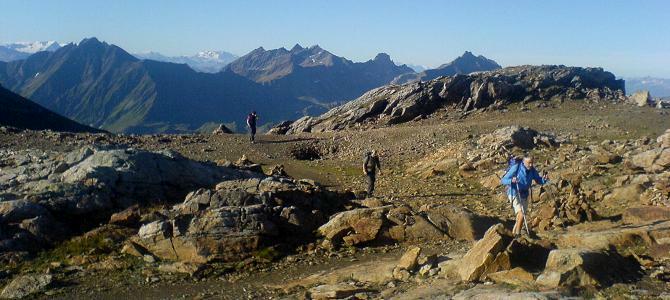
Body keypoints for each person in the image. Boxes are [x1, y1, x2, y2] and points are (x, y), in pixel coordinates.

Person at [500, 156, 548, 237]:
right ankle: (518, 235)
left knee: (520, 216)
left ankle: (513, 234)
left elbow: (538, 180)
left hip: (524, 194)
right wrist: (511, 180)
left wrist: (544, 180)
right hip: (514, 192)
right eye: (529, 163)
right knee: (521, 214)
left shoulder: (532, 170)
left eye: (532, 162)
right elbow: (503, 180)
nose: (531, 165)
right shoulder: (516, 167)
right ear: (523, 161)